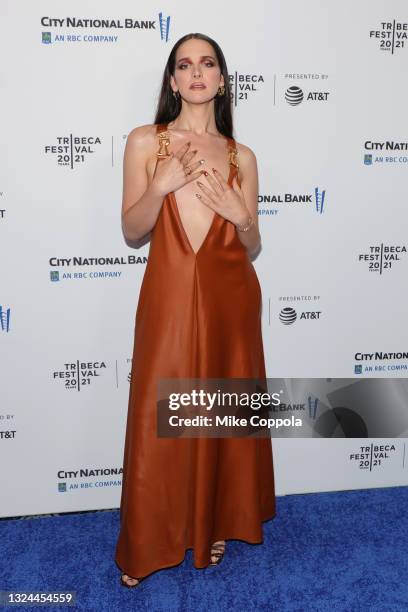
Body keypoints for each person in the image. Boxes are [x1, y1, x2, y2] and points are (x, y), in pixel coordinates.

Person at [115, 32, 276, 588]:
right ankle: (149, 536)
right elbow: (133, 231)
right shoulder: (145, 142)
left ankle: (214, 519)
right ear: (173, 80)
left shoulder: (242, 156)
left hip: (232, 296)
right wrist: (159, 187)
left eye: (208, 63)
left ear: (223, 79)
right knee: (160, 413)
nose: (197, 73)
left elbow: (250, 247)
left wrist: (242, 214)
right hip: (169, 293)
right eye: (185, 65)